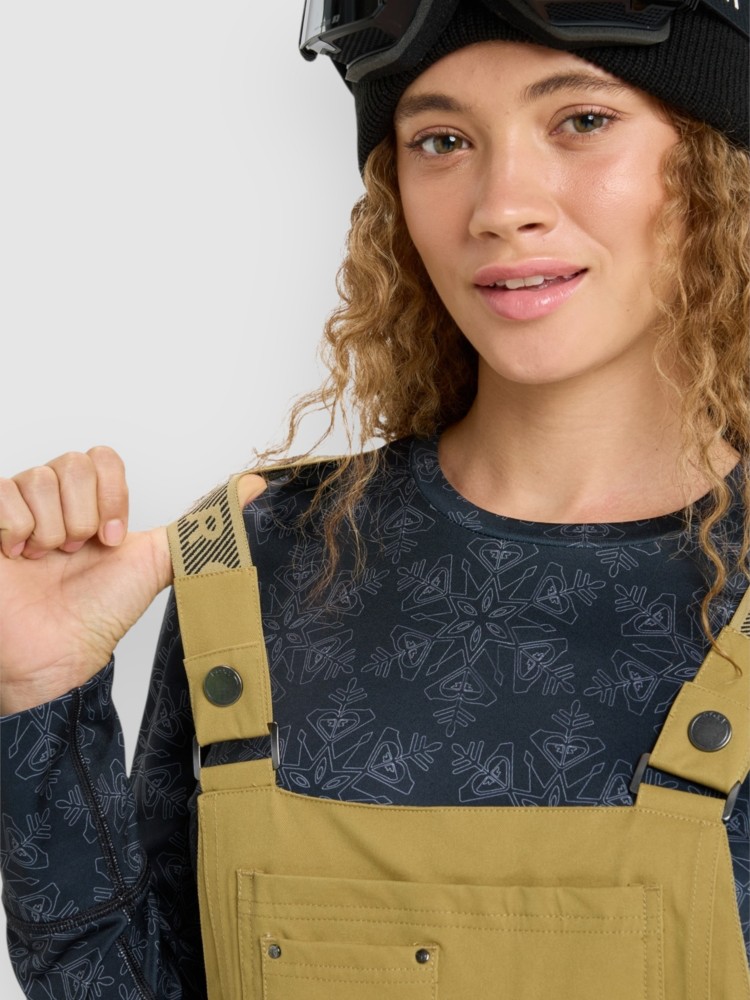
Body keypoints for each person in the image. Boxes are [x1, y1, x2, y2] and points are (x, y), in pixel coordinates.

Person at [1, 1, 748, 997]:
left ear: (712, 161)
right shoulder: (257, 561)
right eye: (442, 141)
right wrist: (41, 696)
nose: (501, 205)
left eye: (582, 121)